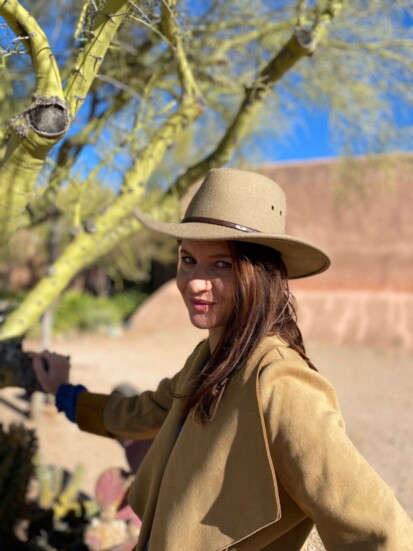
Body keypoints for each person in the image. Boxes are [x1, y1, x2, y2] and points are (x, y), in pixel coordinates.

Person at [33, 168, 413, 551]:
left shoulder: (280, 382)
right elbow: (147, 411)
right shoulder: (208, 359)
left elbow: (381, 531)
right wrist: (66, 394)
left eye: (222, 264)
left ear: (261, 274)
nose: (195, 282)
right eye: (187, 259)